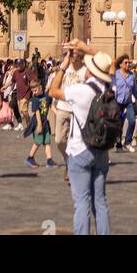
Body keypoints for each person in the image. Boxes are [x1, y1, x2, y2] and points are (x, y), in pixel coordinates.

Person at [50, 42, 115, 236]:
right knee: (100, 202)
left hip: (80, 151)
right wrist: (88, 50)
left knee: (82, 202)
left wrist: (63, 65)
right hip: (102, 151)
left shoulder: (81, 90)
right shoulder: (109, 88)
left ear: (90, 72)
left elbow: (53, 91)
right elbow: (110, 63)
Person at [49, 43, 86, 182]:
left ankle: (73, 168)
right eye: (69, 53)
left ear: (80, 55)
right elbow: (53, 88)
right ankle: (69, 161)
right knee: (59, 140)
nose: (71, 56)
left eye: (74, 53)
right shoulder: (64, 68)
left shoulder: (84, 71)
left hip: (77, 111)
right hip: (63, 108)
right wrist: (62, 67)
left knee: (76, 142)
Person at [24, 76, 54, 169]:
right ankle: (30, 158)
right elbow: (37, 112)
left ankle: (49, 161)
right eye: (32, 91)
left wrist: (57, 112)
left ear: (41, 87)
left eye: (35, 90)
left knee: (47, 141)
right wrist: (39, 125)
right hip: (37, 122)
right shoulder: (34, 99)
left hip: (45, 122)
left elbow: (51, 106)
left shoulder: (47, 96)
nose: (34, 92)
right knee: (38, 141)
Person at [113, 54, 137, 152]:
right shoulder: (116, 74)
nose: (128, 64)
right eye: (125, 63)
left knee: (132, 121)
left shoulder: (131, 75)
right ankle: (119, 144)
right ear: (120, 64)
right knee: (118, 123)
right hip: (117, 102)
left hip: (128, 102)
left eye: (129, 63)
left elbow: (135, 89)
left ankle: (128, 142)